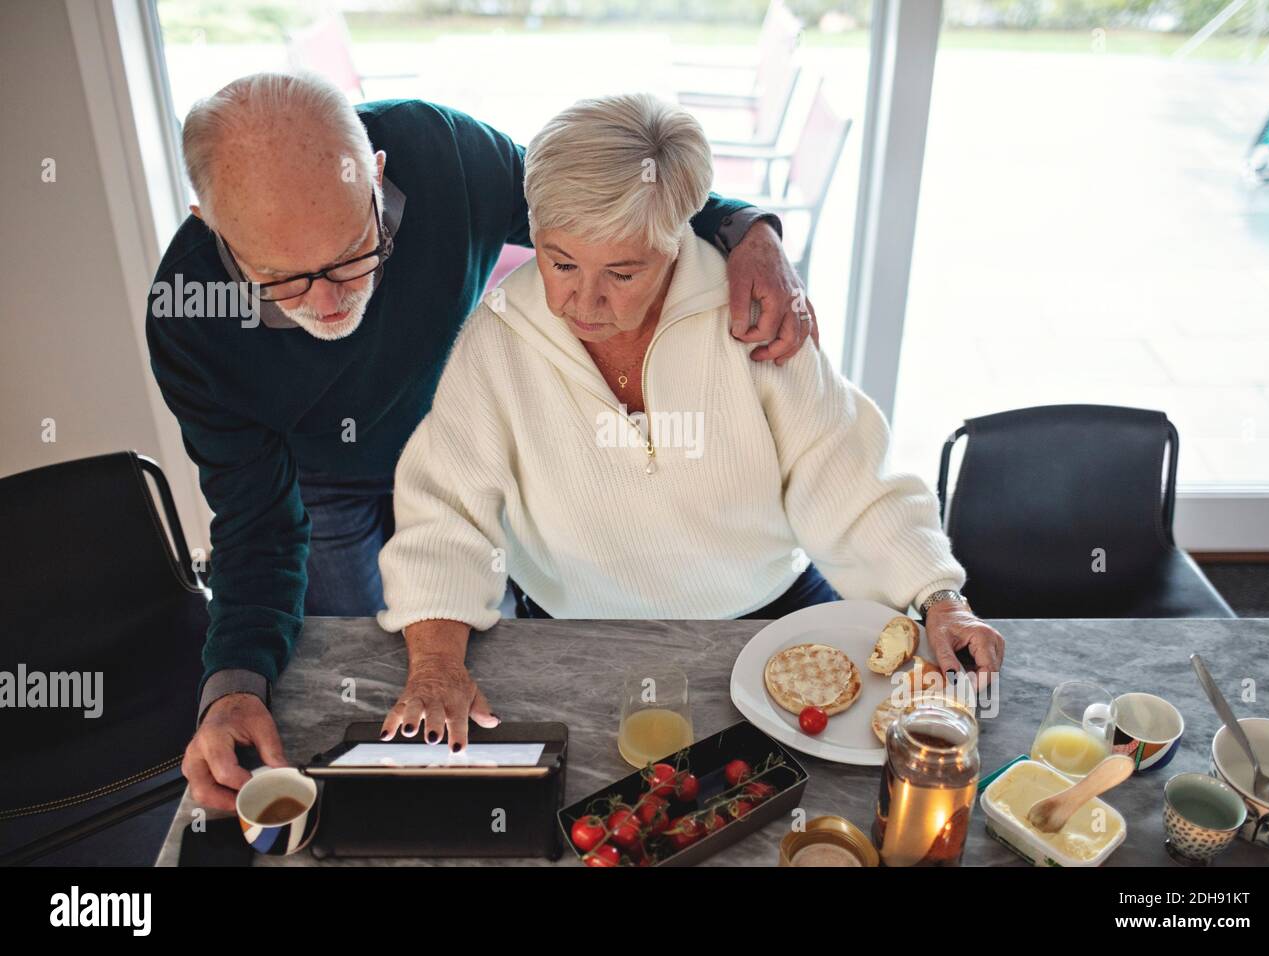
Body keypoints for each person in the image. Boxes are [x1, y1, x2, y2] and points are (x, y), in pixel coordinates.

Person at [147, 73, 816, 811]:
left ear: (375, 174)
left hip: (457, 435)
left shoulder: (443, 155)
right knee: (360, 683)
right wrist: (230, 689)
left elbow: (604, 206)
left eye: (351, 254)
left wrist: (750, 230)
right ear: (209, 224)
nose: (332, 301)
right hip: (322, 482)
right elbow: (255, 530)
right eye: (283, 281)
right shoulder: (188, 319)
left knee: (479, 658)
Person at [376, 93, 1005, 747]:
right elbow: (448, 513)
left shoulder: (753, 318)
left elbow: (845, 473)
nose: (580, 301)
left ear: (677, 237)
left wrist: (939, 598)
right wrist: (437, 662)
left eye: (622, 271)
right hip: (578, 635)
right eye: (560, 261)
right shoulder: (498, 337)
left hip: (769, 622)